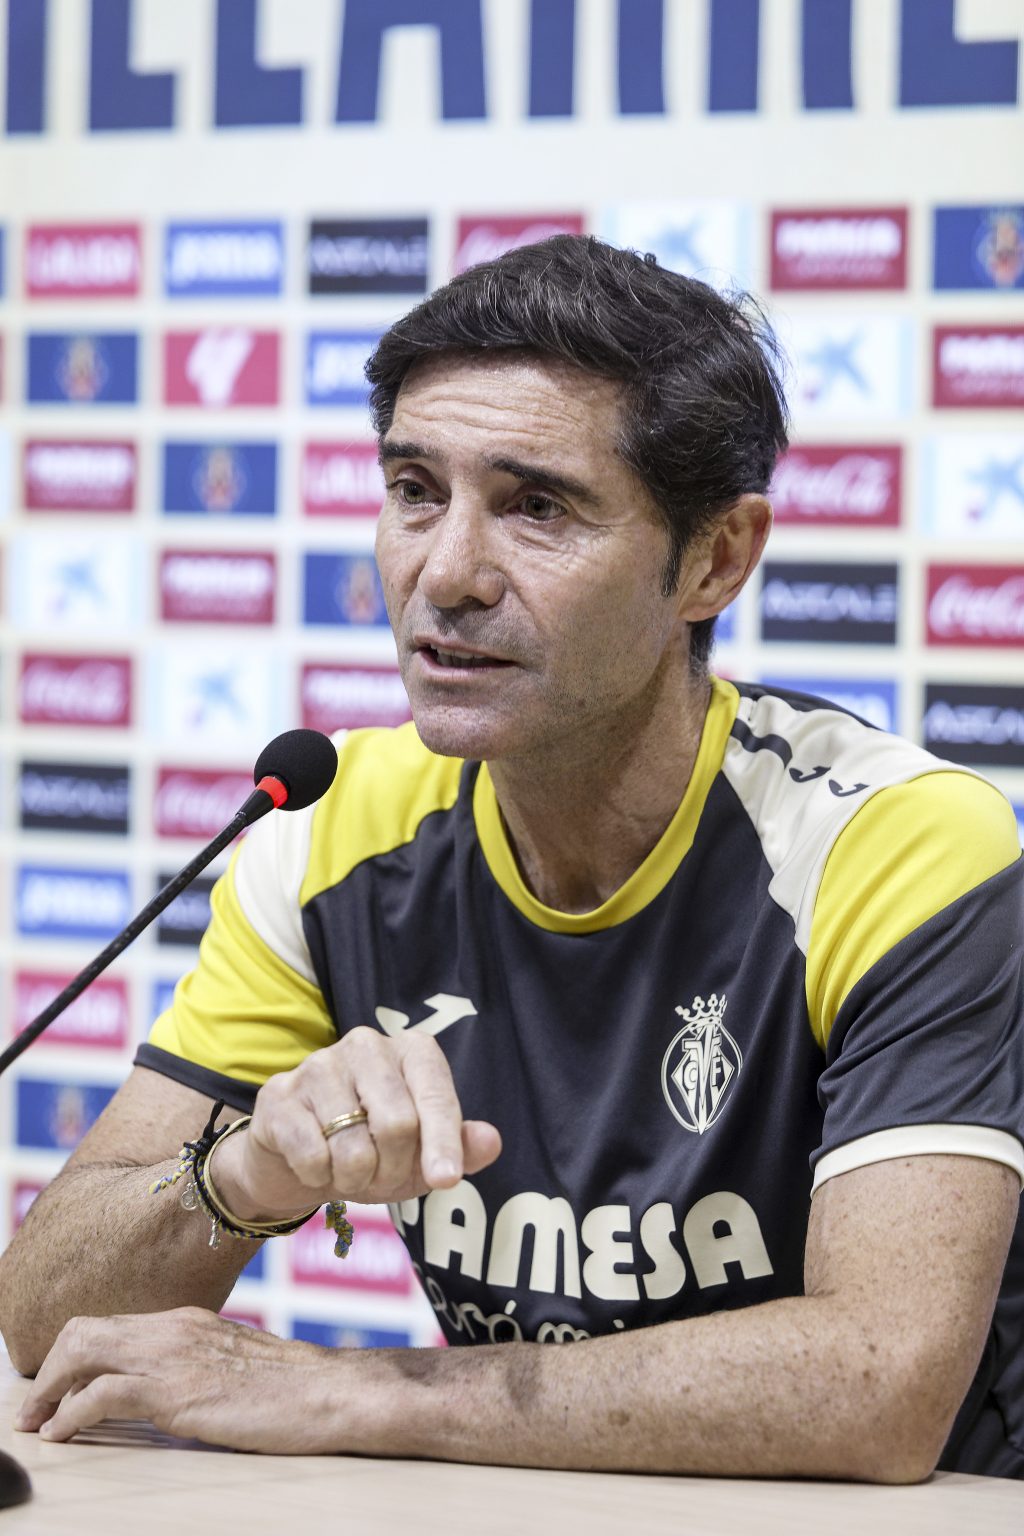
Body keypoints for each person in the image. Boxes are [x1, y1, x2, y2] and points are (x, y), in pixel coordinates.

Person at [2, 236, 1022, 1482]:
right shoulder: (334, 827)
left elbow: (878, 1382)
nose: (446, 573)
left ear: (714, 560)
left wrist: (355, 1391)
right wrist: (243, 1172)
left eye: (538, 508)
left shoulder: (891, 842)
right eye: (414, 489)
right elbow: (46, 1318)